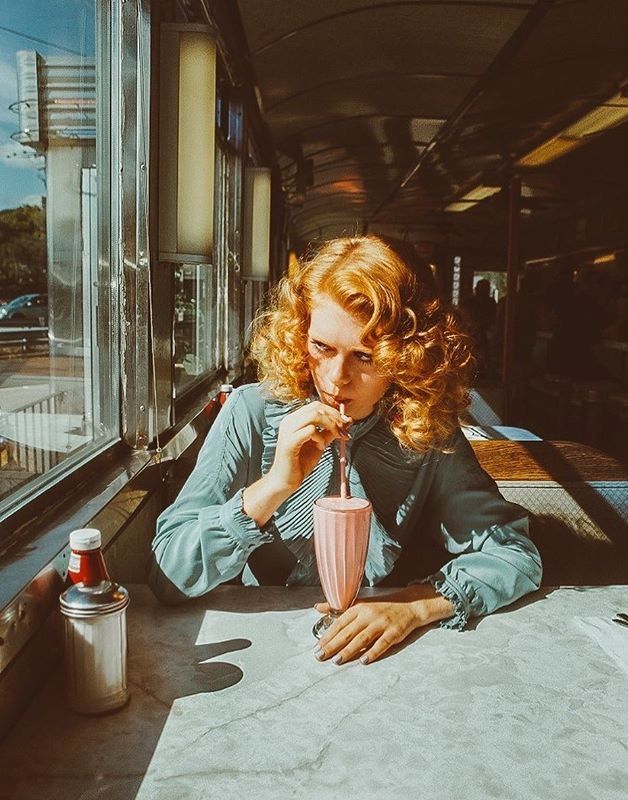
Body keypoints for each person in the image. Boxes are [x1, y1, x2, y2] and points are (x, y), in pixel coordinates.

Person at [149, 236, 542, 666]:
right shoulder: (251, 412)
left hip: (375, 660)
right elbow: (167, 575)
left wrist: (413, 604)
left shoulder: (426, 430)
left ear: (404, 358)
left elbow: (516, 555)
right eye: (322, 348)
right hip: (252, 652)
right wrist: (272, 488)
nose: (337, 378)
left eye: (365, 357)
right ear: (301, 337)